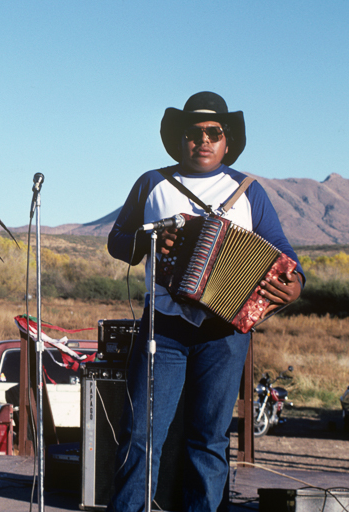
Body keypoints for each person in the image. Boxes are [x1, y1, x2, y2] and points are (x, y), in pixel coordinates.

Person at [106, 92, 304, 511]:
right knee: (141, 434)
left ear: (227, 141)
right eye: (193, 132)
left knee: (209, 440)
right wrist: (149, 237)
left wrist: (295, 283)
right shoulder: (153, 182)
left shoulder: (249, 190)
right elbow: (118, 241)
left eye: (214, 132)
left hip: (225, 334)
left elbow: (284, 253)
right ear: (179, 139)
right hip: (164, 325)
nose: (204, 140)